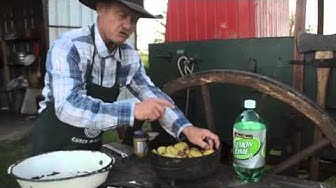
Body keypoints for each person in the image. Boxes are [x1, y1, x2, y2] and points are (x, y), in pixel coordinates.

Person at [32, 0, 220, 155]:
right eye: (122, 15)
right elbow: (68, 107)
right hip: (53, 149)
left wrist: (187, 129)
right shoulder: (69, 47)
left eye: (134, 20)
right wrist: (132, 111)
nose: (128, 26)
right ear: (101, 8)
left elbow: (153, 96)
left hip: (90, 152)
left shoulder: (128, 57)